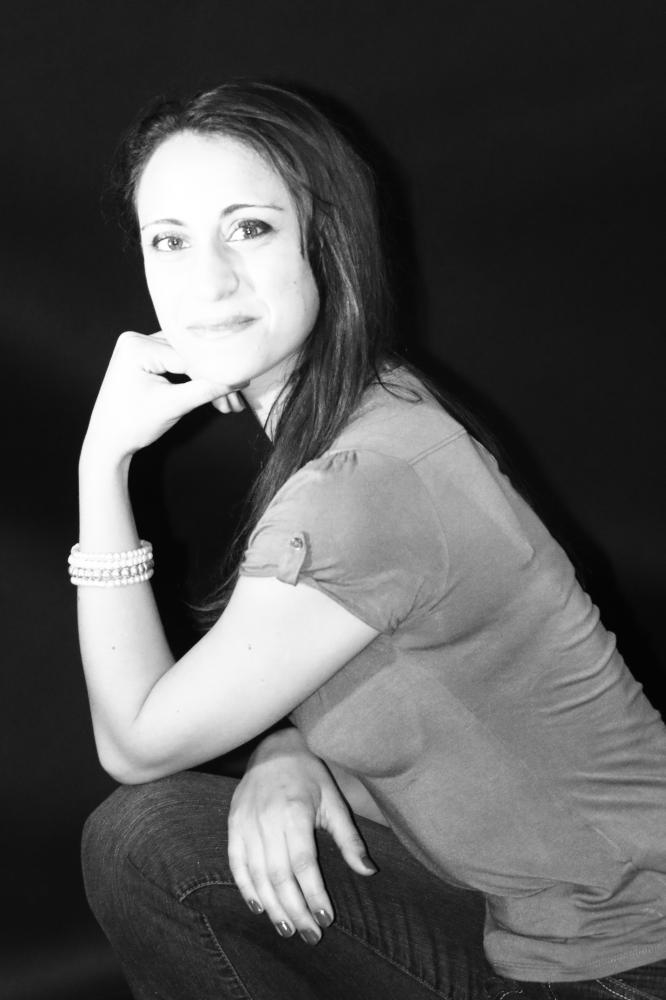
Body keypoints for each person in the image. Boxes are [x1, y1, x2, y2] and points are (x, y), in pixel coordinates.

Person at [78, 81, 666, 1000]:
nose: (208, 281)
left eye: (250, 229)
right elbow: (419, 697)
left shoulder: (363, 486)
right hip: (523, 924)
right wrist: (287, 755)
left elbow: (137, 742)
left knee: (142, 832)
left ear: (328, 241)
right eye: (171, 241)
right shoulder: (376, 404)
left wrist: (101, 462)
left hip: (624, 960)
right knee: (159, 839)